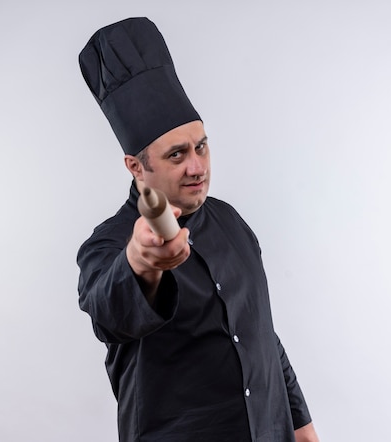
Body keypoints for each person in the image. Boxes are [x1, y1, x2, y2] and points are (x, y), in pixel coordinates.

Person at [77, 17, 319, 442]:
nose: (197, 166)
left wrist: (303, 429)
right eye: (176, 155)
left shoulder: (231, 222)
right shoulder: (111, 242)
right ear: (137, 167)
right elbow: (107, 312)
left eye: (201, 146)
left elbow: (264, 338)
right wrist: (141, 263)